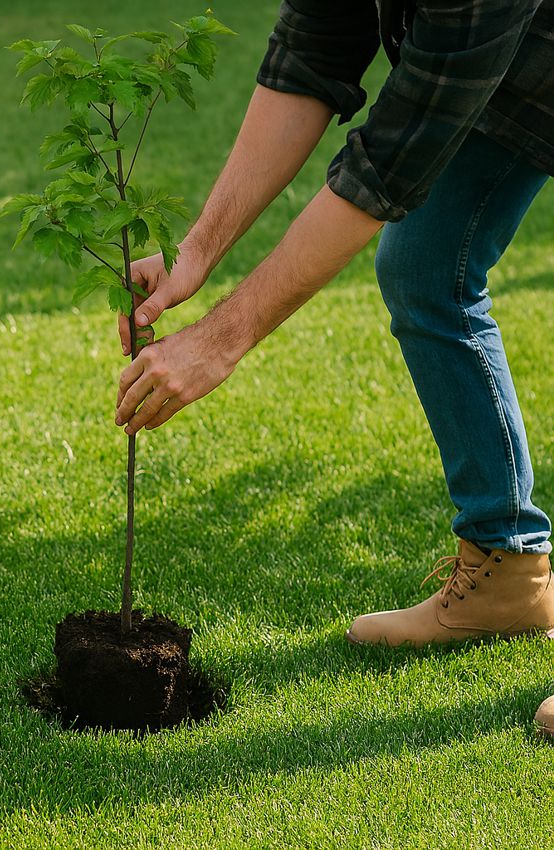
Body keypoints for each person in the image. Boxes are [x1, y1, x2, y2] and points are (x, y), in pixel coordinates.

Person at [113, 0, 554, 737]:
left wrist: (221, 339)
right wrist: (196, 253)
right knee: (426, 265)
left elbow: (388, 164)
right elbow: (313, 52)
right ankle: (506, 573)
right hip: (524, 64)